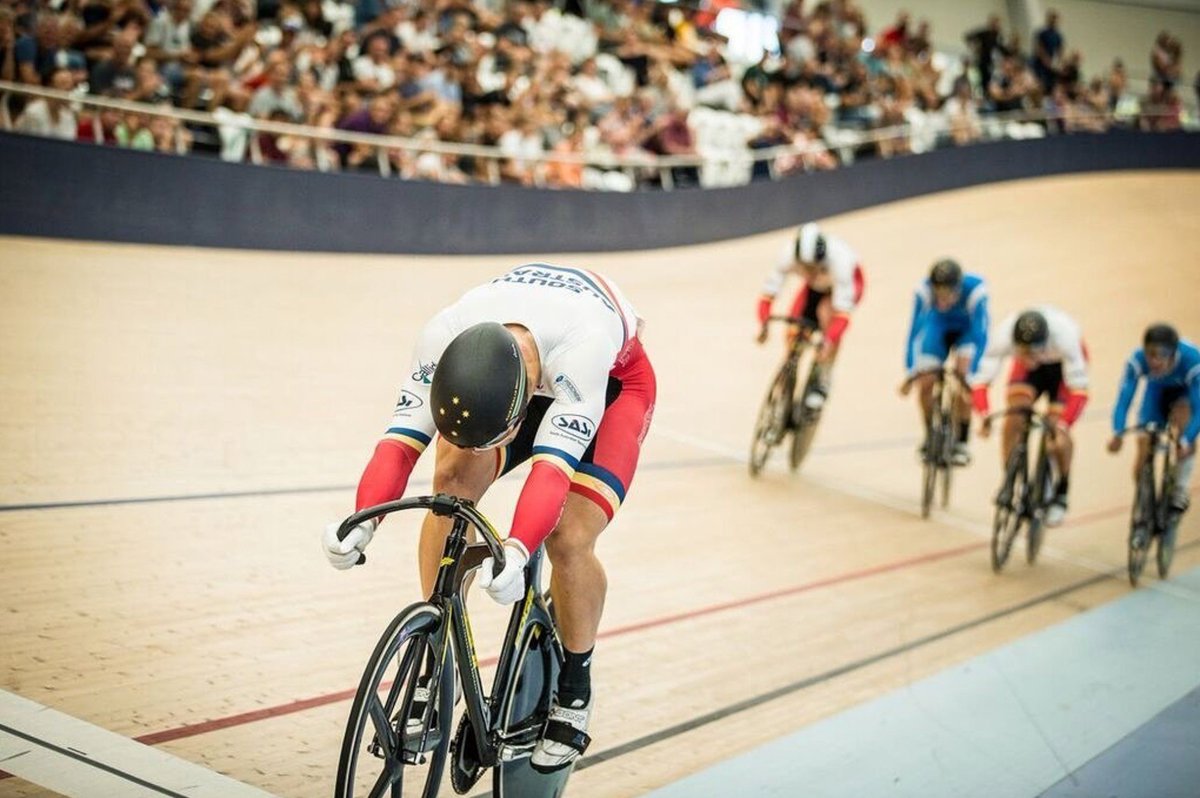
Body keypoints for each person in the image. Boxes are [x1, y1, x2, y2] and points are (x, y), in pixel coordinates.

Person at [322, 263, 656, 773]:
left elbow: (551, 470)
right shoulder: (442, 334)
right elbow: (397, 444)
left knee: (568, 537)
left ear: (519, 411)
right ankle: (437, 654)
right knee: (450, 491)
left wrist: (519, 549)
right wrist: (362, 520)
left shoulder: (582, 345)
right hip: (512, 372)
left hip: (609, 390)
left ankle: (575, 688)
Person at [972, 307, 1089, 526]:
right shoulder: (1003, 337)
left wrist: (1065, 424)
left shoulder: (1066, 338)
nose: (1029, 356)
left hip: (1061, 369)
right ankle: (1010, 477)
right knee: (1015, 414)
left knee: (1055, 431)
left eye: (1032, 352)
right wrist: (984, 415)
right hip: (1031, 374)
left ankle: (1061, 493)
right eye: (1023, 351)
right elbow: (980, 382)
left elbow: (1080, 392)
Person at [755, 222, 866, 412]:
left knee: (826, 315)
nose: (809, 271)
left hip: (846, 287)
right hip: (814, 288)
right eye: (805, 267)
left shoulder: (841, 261)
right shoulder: (788, 255)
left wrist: (829, 340)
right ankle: (788, 381)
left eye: (814, 266)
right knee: (794, 329)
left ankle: (822, 379)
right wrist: (764, 323)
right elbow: (767, 295)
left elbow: (842, 316)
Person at [900, 259, 989, 465]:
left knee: (964, 378)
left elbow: (980, 334)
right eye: (938, 291)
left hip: (966, 332)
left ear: (958, 287)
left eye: (947, 292)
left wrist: (972, 375)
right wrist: (912, 370)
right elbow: (914, 331)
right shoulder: (923, 291)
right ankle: (930, 434)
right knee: (926, 382)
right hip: (937, 329)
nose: (942, 297)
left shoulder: (976, 291)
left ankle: (962, 441)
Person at [1108, 323, 1199, 524]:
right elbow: (1124, 399)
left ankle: (1180, 489)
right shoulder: (1137, 360)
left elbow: (1198, 408)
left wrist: (1186, 440)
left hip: (1184, 394)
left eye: (1161, 355)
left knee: (1184, 420)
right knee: (1144, 443)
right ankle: (1145, 499)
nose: (1155, 361)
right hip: (1155, 393)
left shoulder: (1193, 361)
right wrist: (1118, 432)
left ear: (1174, 353)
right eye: (1150, 354)